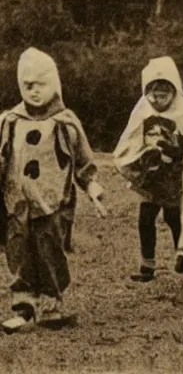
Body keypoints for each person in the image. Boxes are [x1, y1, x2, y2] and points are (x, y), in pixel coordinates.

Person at [0, 48, 107, 332]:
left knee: (50, 251)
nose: (34, 92)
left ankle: (51, 304)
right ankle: (23, 307)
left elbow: (83, 161)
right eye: (27, 85)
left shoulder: (65, 123)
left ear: (54, 83)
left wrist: (92, 186)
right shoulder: (9, 122)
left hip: (52, 201)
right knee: (18, 252)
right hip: (17, 202)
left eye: (41, 84)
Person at [113, 57, 183, 282]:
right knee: (146, 219)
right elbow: (130, 141)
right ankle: (147, 266)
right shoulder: (142, 112)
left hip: (174, 177)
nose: (157, 100)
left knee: (175, 218)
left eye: (163, 95)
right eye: (153, 95)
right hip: (150, 178)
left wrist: (182, 153)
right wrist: (139, 158)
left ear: (174, 91)